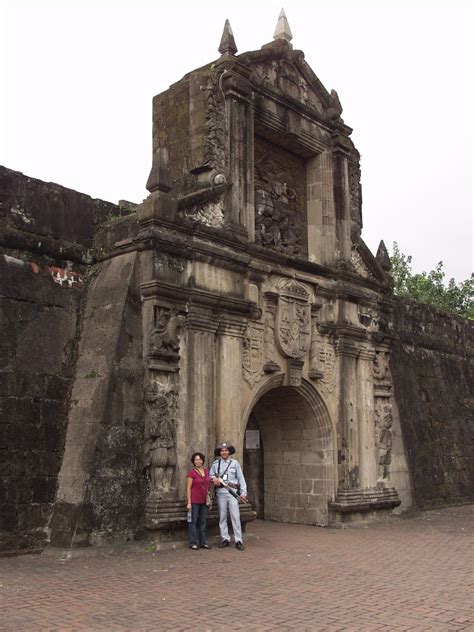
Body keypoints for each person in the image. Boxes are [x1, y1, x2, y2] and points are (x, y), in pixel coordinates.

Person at [209, 442, 248, 551]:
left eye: (226, 450)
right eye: (222, 450)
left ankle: (238, 540)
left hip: (232, 491)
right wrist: (214, 479)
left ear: (229, 452)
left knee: (235, 516)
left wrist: (243, 493)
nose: (224, 452)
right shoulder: (216, 464)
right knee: (222, 516)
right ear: (220, 453)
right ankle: (224, 538)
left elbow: (241, 478)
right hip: (221, 492)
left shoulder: (234, 463)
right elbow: (210, 475)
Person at [186, 452, 211, 550]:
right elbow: (188, 488)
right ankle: (193, 542)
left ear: (203, 460)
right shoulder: (191, 473)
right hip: (194, 500)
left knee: (203, 522)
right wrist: (189, 502)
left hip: (204, 500)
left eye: (200, 459)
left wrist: (209, 500)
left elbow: (208, 486)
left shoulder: (206, 471)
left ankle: (203, 542)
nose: (198, 461)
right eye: (196, 459)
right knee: (193, 521)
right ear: (193, 461)